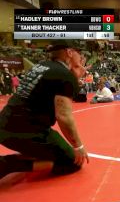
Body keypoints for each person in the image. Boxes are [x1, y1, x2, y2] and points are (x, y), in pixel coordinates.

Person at [0, 40, 89, 180]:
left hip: (5, 125)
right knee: (72, 161)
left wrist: (74, 77)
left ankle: (27, 158)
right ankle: (9, 164)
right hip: (28, 131)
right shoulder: (64, 74)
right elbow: (63, 116)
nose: (81, 57)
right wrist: (78, 146)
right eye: (79, 52)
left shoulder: (41, 66)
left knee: (53, 151)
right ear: (70, 52)